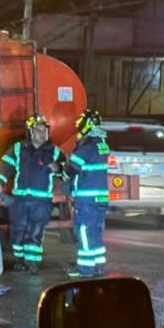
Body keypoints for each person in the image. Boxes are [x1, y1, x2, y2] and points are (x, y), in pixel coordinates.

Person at [0, 113, 66, 274]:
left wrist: (58, 168)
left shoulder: (54, 151)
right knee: (19, 231)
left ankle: (32, 262)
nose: (42, 133)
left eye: (44, 130)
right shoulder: (19, 148)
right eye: (38, 130)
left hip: (41, 201)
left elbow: (66, 169)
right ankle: (19, 260)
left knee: (35, 232)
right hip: (21, 199)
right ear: (30, 132)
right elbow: (5, 165)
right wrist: (0, 181)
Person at [65, 109, 110, 278]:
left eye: (80, 125)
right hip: (101, 197)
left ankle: (85, 268)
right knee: (95, 231)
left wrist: (61, 173)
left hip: (87, 198)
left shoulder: (87, 147)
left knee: (83, 230)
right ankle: (98, 265)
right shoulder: (102, 144)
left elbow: (71, 169)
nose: (79, 129)